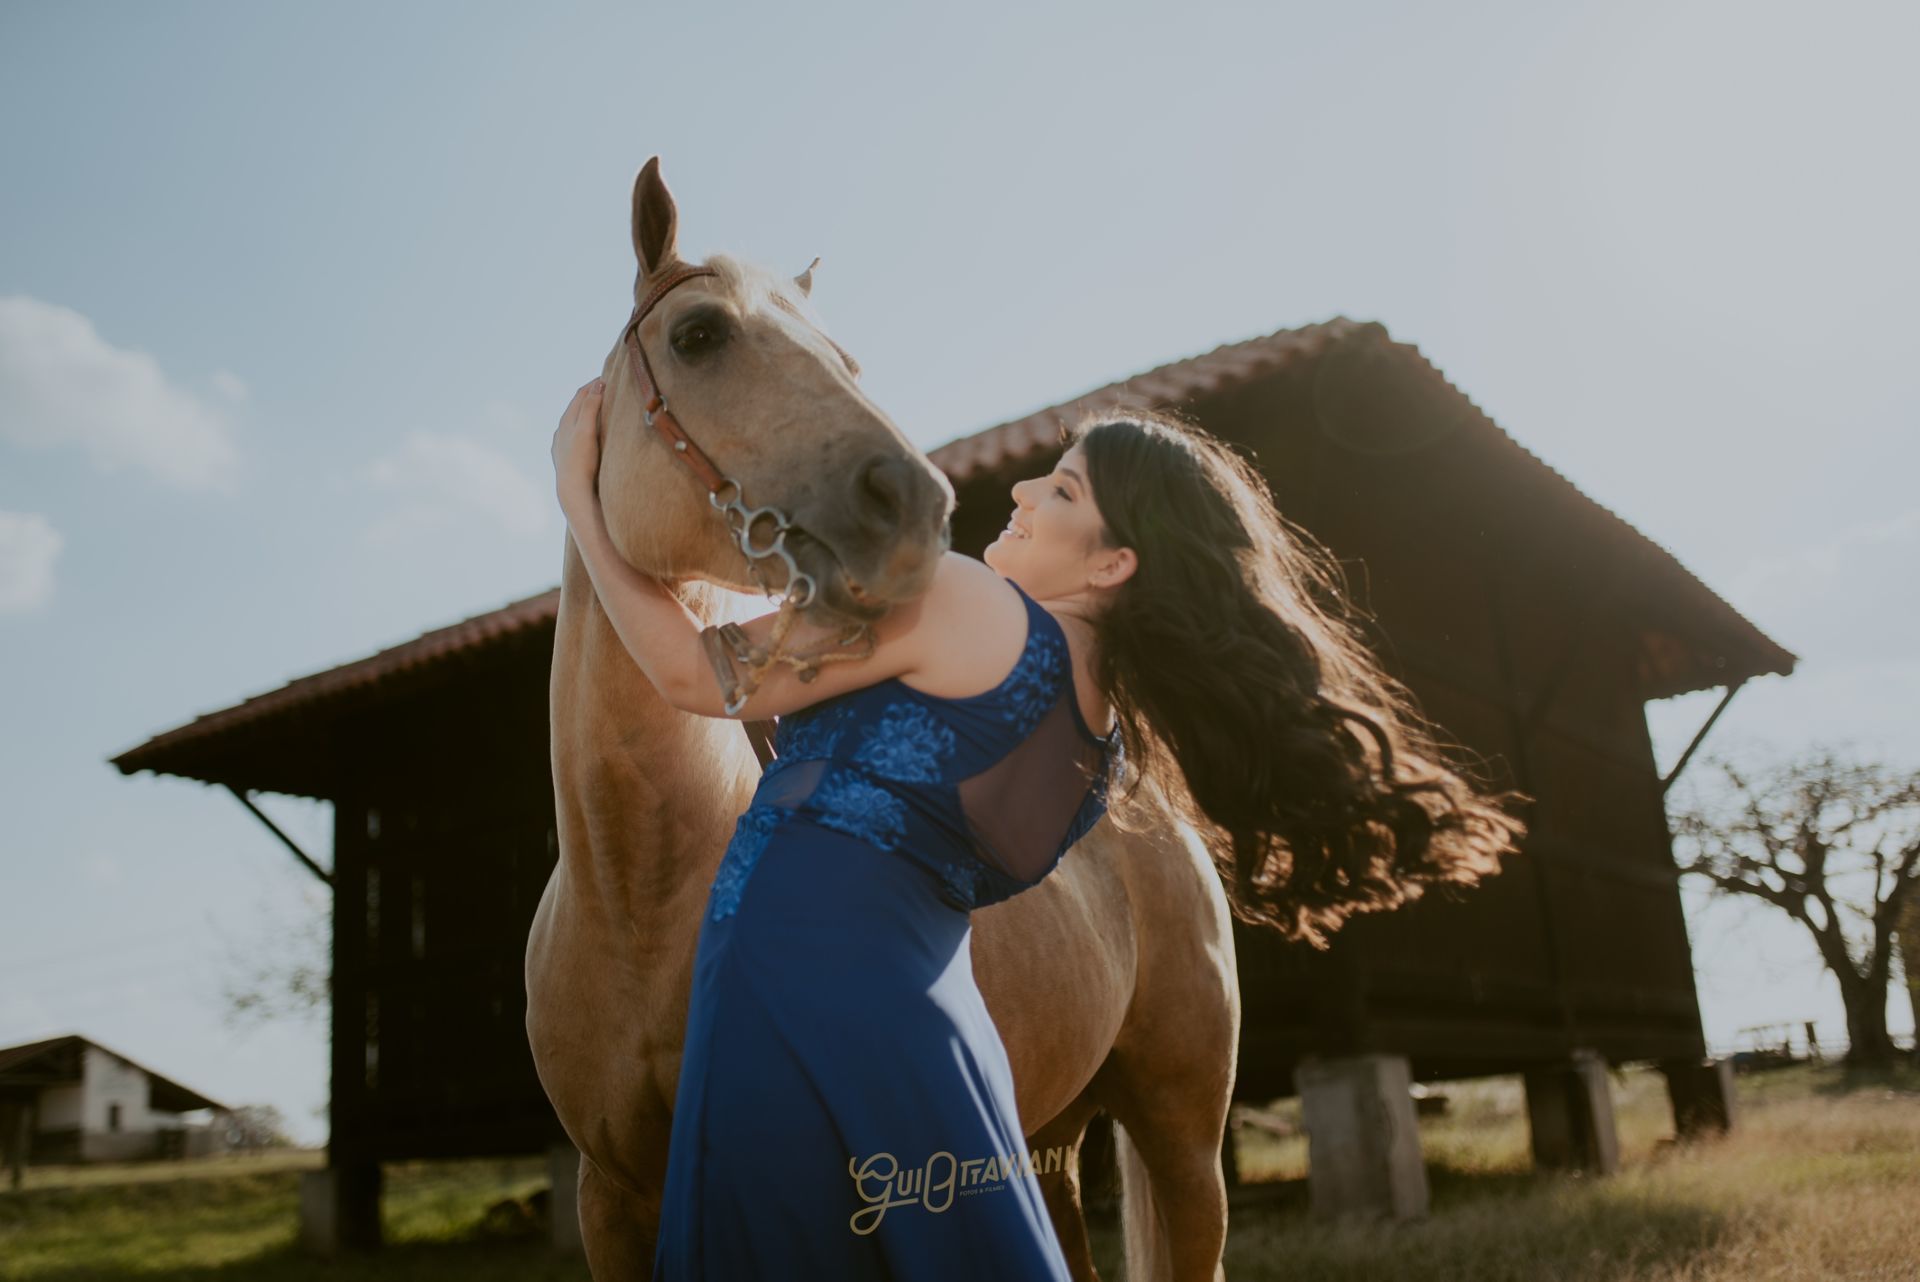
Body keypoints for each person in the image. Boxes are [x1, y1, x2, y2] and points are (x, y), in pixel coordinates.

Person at [549, 381, 1529, 1277]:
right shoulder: (1094, 750)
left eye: (1060, 491)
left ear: (1114, 561)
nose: (1020, 488)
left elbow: (696, 675)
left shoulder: (958, 598)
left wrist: (582, 506)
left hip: (794, 981)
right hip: (932, 1016)